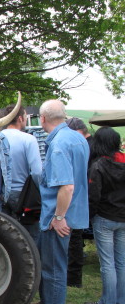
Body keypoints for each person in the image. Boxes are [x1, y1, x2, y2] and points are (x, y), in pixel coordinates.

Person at [26, 100, 89, 304]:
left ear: (42, 118)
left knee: (53, 265)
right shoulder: (78, 138)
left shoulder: (59, 144)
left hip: (57, 218)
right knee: (53, 262)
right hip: (71, 213)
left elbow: (67, 186)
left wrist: (59, 217)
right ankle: (47, 303)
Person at [84, 126, 125, 304]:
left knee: (107, 263)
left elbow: (94, 195)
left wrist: (90, 216)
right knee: (121, 262)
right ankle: (121, 302)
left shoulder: (99, 165)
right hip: (123, 218)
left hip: (105, 218)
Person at [1, 103, 43, 241]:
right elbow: (37, 172)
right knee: (31, 237)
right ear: (20, 118)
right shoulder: (28, 139)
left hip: (1, 194)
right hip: (24, 195)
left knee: (7, 236)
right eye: (25, 117)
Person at [65, 117, 92, 288]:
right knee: (75, 238)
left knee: (74, 239)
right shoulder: (87, 143)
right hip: (82, 196)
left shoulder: (86, 145)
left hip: (77, 197)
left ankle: (74, 278)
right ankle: (74, 276)